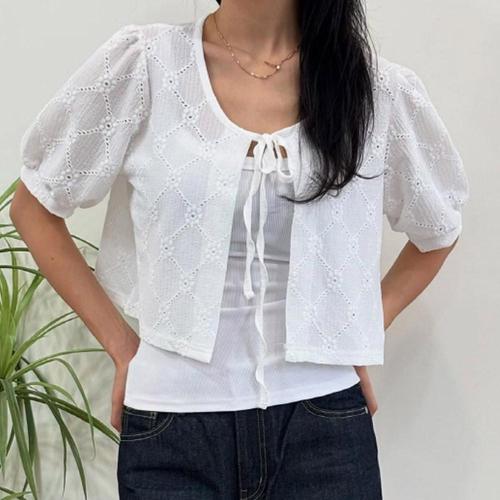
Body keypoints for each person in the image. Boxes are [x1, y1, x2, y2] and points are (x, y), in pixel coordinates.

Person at [10, 0, 469, 498]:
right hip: (171, 429)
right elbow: (34, 208)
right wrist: (123, 348)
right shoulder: (146, 66)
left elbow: (437, 229)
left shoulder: (373, 90)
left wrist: (355, 327)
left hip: (324, 427)